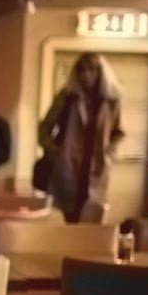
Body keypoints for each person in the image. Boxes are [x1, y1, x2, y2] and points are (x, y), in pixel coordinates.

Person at [38, 52, 124, 223]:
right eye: (81, 70)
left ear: (100, 73)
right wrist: (54, 151)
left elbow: (119, 132)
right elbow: (44, 127)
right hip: (68, 165)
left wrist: (109, 154)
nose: (86, 75)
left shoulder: (112, 99)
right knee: (71, 215)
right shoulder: (67, 97)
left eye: (92, 70)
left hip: (96, 165)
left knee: (93, 215)